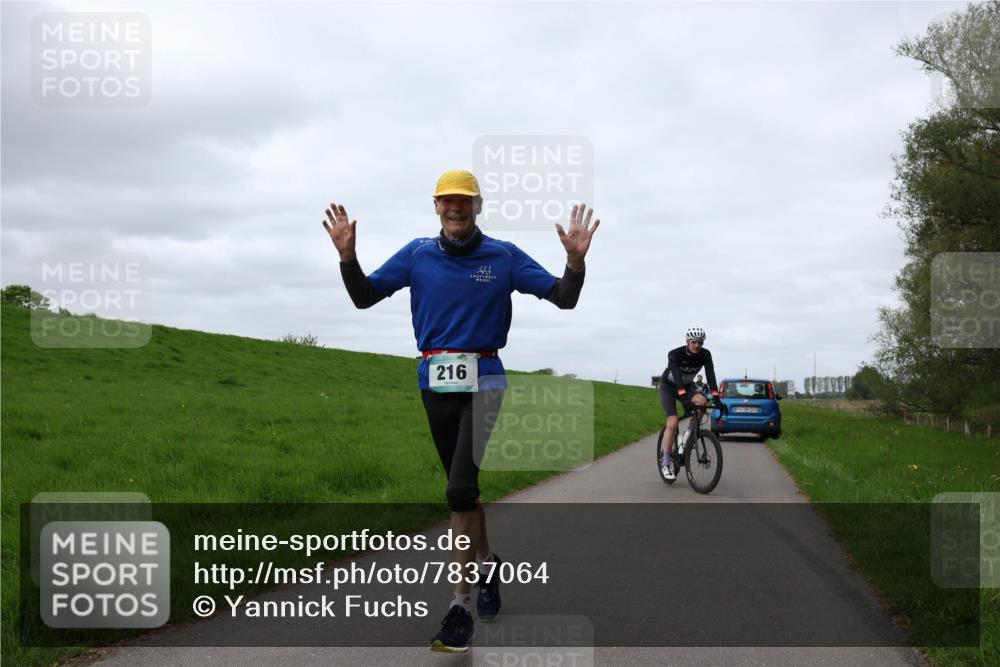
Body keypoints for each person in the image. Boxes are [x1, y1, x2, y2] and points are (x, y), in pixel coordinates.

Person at [322, 169, 600, 652]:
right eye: (448, 201)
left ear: (478, 206)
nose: (456, 209)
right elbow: (365, 297)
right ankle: (489, 566)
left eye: (465, 202)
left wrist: (574, 263)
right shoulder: (416, 254)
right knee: (464, 495)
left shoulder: (504, 256)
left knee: (457, 489)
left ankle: (459, 605)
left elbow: (564, 298)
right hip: (434, 380)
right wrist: (348, 257)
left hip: (486, 378)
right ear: (435, 206)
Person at [658, 327, 719, 480]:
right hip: (669, 387)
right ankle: (666, 462)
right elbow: (677, 378)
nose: (697, 345)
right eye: (694, 342)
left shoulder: (705, 354)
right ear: (687, 342)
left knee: (702, 402)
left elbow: (710, 375)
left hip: (686, 387)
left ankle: (688, 434)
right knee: (672, 423)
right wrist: (684, 398)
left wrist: (717, 397)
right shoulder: (675, 354)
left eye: (700, 342)